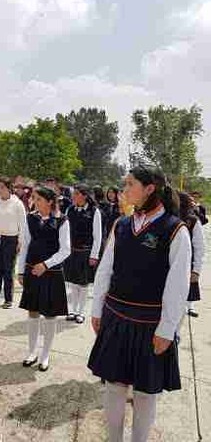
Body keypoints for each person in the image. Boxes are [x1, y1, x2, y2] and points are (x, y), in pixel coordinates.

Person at [88, 166, 190, 442]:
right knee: (114, 387)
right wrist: (97, 309)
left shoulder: (174, 230)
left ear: (149, 189)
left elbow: (178, 286)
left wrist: (167, 329)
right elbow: (106, 270)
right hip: (116, 318)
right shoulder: (121, 225)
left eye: (131, 183)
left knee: (145, 393)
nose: (125, 188)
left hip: (150, 325)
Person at [18, 186, 71, 371]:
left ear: (50, 201)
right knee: (32, 311)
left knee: (49, 314)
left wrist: (46, 264)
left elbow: (65, 250)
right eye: (33, 198)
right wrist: (21, 270)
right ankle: (32, 352)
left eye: (38, 199)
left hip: (52, 273)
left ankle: (45, 354)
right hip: (32, 271)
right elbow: (25, 245)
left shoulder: (62, 220)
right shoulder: (30, 218)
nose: (34, 202)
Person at [0, 177, 27, 308]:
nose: (0, 190)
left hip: (10, 239)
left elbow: (22, 225)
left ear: (9, 188)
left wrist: (20, 241)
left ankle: (8, 299)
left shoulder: (17, 204)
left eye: (2, 187)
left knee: (8, 270)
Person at [64, 184, 102, 325]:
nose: (73, 196)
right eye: (73, 194)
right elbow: (66, 232)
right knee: (73, 283)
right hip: (72, 251)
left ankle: (81, 312)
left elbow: (97, 236)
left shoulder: (94, 211)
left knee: (83, 284)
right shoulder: (70, 210)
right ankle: (73, 310)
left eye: (76, 194)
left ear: (84, 195)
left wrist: (94, 255)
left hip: (86, 252)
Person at [178, 191, 205, 318]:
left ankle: (190, 306)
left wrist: (196, 270)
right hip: (171, 263)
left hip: (188, 262)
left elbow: (200, 247)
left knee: (187, 293)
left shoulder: (193, 221)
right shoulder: (169, 218)